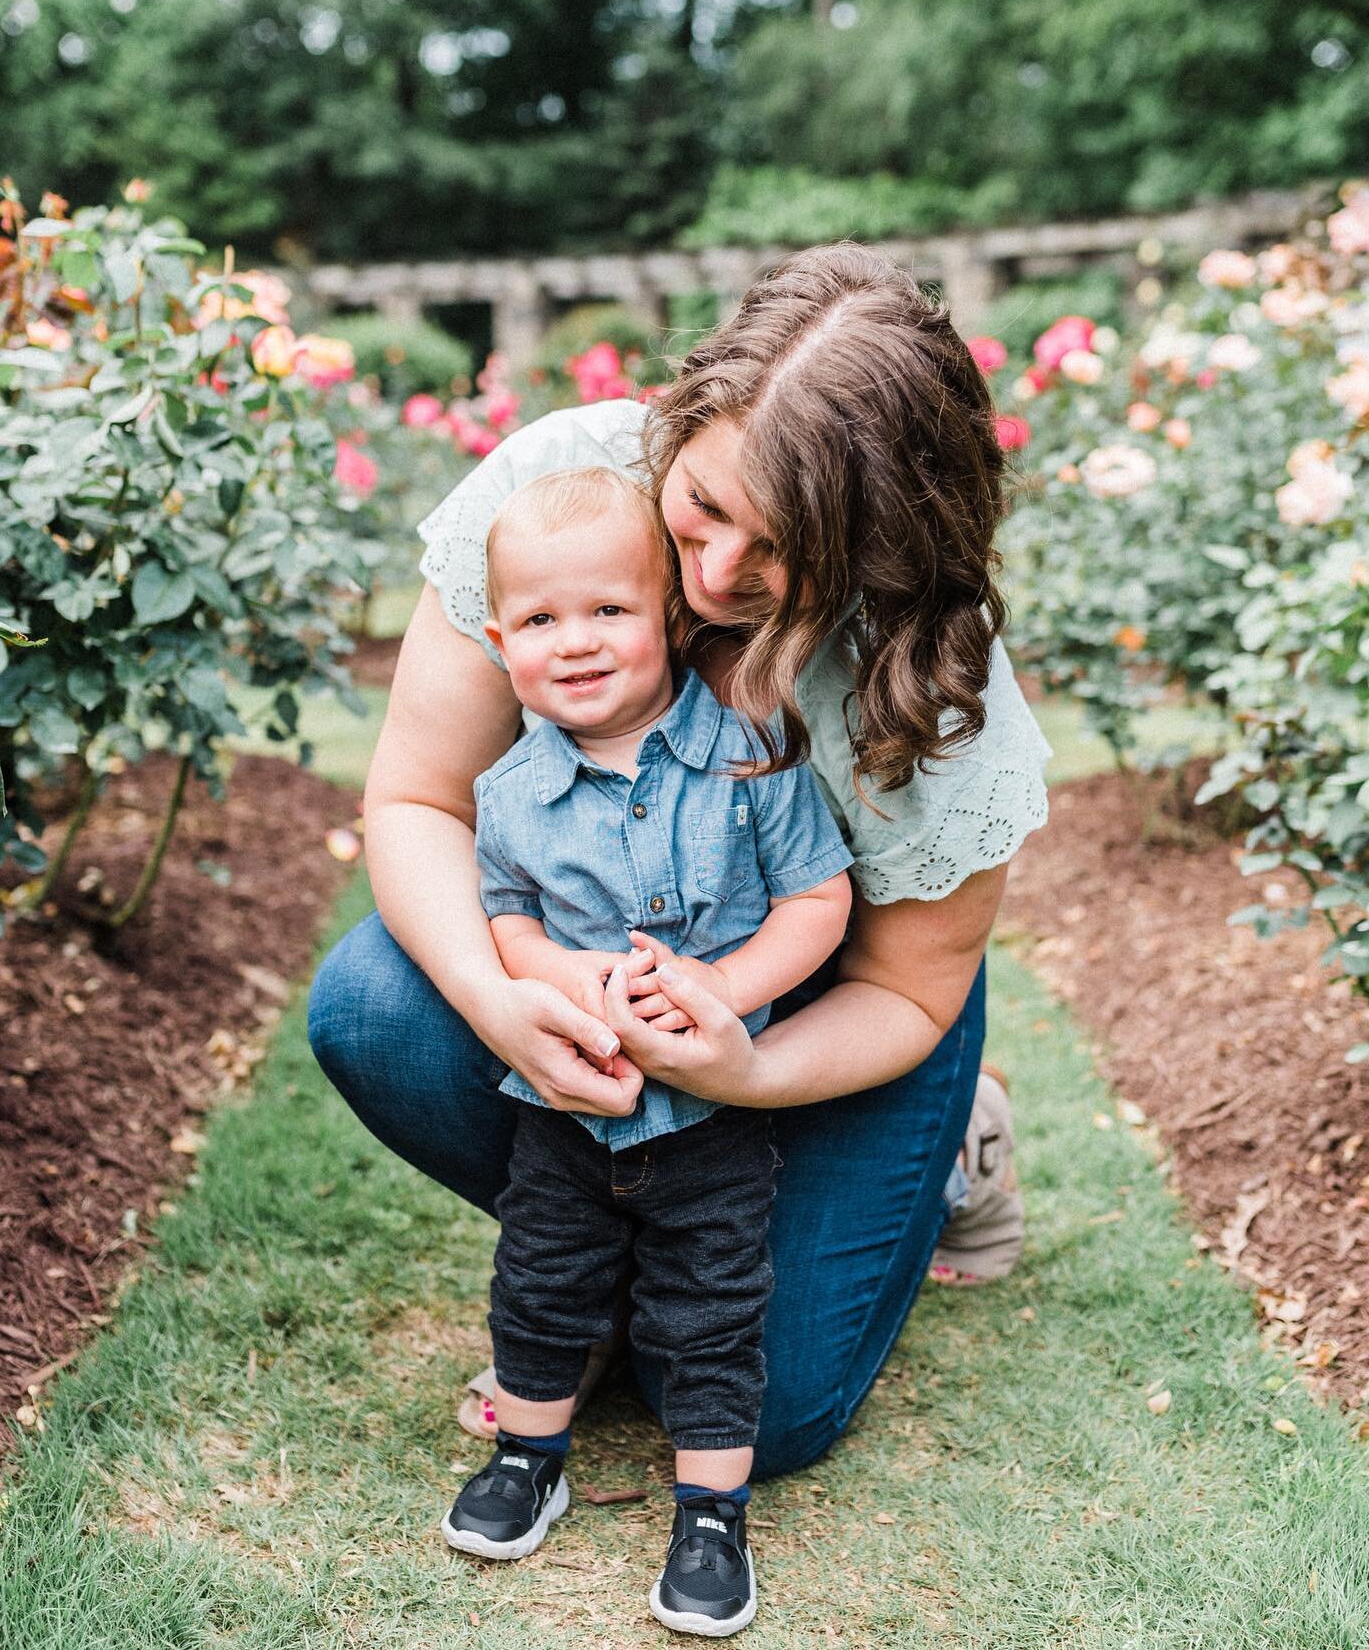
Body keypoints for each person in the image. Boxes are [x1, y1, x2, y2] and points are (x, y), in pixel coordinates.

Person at [308, 241, 1052, 1499]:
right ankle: (596, 1266)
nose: (709, 581)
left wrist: (747, 1065)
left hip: (834, 1000)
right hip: (597, 961)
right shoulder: (564, 493)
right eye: (703, 509)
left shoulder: (940, 684)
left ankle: (953, 1144)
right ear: (687, 411)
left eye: (781, 556)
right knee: (375, 1007)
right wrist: (507, 1005)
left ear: (885, 547)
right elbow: (419, 801)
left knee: (765, 1413)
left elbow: (908, 991)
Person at [440, 467, 853, 1636]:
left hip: (714, 1116)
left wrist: (727, 991)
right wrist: (551, 976)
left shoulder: (751, 750)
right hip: (566, 1108)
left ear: (670, 616)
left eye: (609, 611)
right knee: (539, 1281)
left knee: (715, 1308)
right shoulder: (511, 791)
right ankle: (531, 1457)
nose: (575, 643)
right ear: (498, 639)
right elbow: (506, 913)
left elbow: (816, 902)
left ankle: (711, 1516)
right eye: (539, 621)